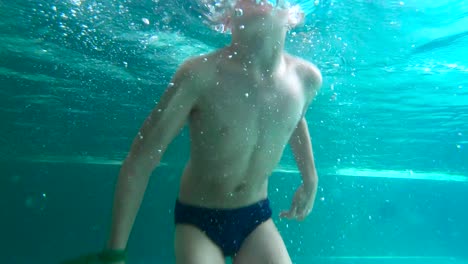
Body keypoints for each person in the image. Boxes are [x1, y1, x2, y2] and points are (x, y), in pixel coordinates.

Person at [63, 0, 322, 263]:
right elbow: (140, 160)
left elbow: (292, 117)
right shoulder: (200, 76)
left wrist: (310, 178)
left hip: (256, 219)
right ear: (226, 17)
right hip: (199, 220)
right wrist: (114, 252)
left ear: (293, 13)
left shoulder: (306, 79)